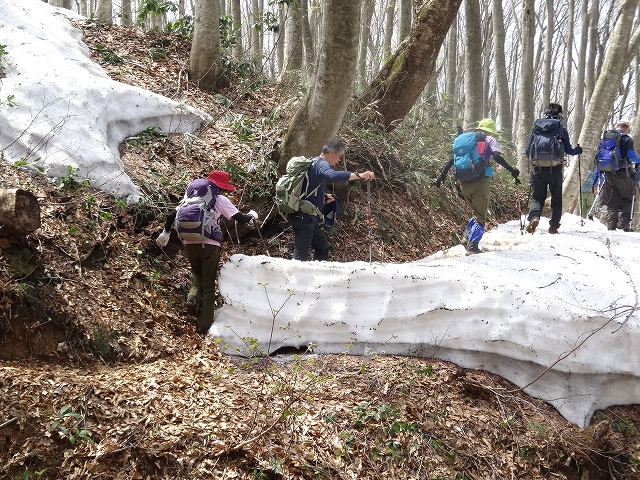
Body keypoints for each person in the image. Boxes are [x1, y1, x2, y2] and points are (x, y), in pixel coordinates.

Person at [156, 170, 258, 334]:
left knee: (198, 275)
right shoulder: (220, 199)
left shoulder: (190, 198)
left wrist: (166, 233)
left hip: (189, 244)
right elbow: (242, 219)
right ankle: (205, 324)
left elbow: (171, 215)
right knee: (209, 285)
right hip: (209, 246)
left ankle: (192, 300)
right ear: (221, 187)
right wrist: (252, 215)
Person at [435, 118, 520, 254]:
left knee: (476, 214)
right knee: (480, 217)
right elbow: (497, 157)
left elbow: (452, 159)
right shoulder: (489, 140)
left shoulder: (468, 140)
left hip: (463, 183)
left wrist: (443, 175)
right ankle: (472, 246)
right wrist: (512, 170)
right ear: (490, 131)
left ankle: (466, 238)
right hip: (480, 182)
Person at [289, 138, 375, 261]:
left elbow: (307, 188)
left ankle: (317, 271)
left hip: (306, 217)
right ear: (331, 152)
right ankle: (294, 274)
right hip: (304, 217)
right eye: (340, 156)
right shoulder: (322, 164)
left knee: (322, 246)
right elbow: (331, 175)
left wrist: (324, 196)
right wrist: (358, 175)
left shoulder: (313, 162)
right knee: (300, 258)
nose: (339, 160)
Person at [525, 103, 582, 234]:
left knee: (537, 197)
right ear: (559, 114)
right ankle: (553, 226)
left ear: (545, 113)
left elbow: (527, 151)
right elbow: (569, 150)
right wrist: (578, 150)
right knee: (556, 198)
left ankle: (534, 217)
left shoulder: (536, 128)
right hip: (555, 168)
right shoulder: (561, 129)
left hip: (538, 168)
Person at [599, 119, 640, 231]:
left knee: (613, 199)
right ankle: (624, 224)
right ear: (626, 128)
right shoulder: (627, 139)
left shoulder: (607, 138)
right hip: (623, 173)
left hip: (608, 172)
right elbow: (631, 156)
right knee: (628, 198)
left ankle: (611, 224)